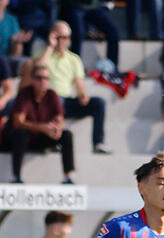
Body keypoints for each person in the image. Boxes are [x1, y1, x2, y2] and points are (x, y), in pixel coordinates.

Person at [23, 21, 110, 154]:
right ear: (52, 36)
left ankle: (98, 143)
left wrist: (82, 95)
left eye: (66, 37)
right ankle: (52, 140)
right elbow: (37, 68)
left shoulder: (74, 59)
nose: (62, 41)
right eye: (59, 37)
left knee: (99, 103)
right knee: (54, 99)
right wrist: (50, 46)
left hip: (66, 102)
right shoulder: (42, 53)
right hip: (46, 102)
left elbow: (79, 83)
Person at [3, 63, 75, 184]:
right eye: (39, 78)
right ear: (32, 79)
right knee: (21, 134)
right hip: (17, 140)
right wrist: (42, 127)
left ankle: (67, 177)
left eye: (46, 78)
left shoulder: (52, 95)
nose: (43, 81)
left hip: (38, 139)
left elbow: (60, 120)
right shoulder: (24, 94)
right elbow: (17, 122)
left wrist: (57, 129)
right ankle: (16, 177)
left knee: (66, 134)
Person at [60, 0, 121, 69]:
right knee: (78, 32)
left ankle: (112, 68)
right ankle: (74, 67)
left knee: (113, 31)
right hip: (74, 6)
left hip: (94, 7)